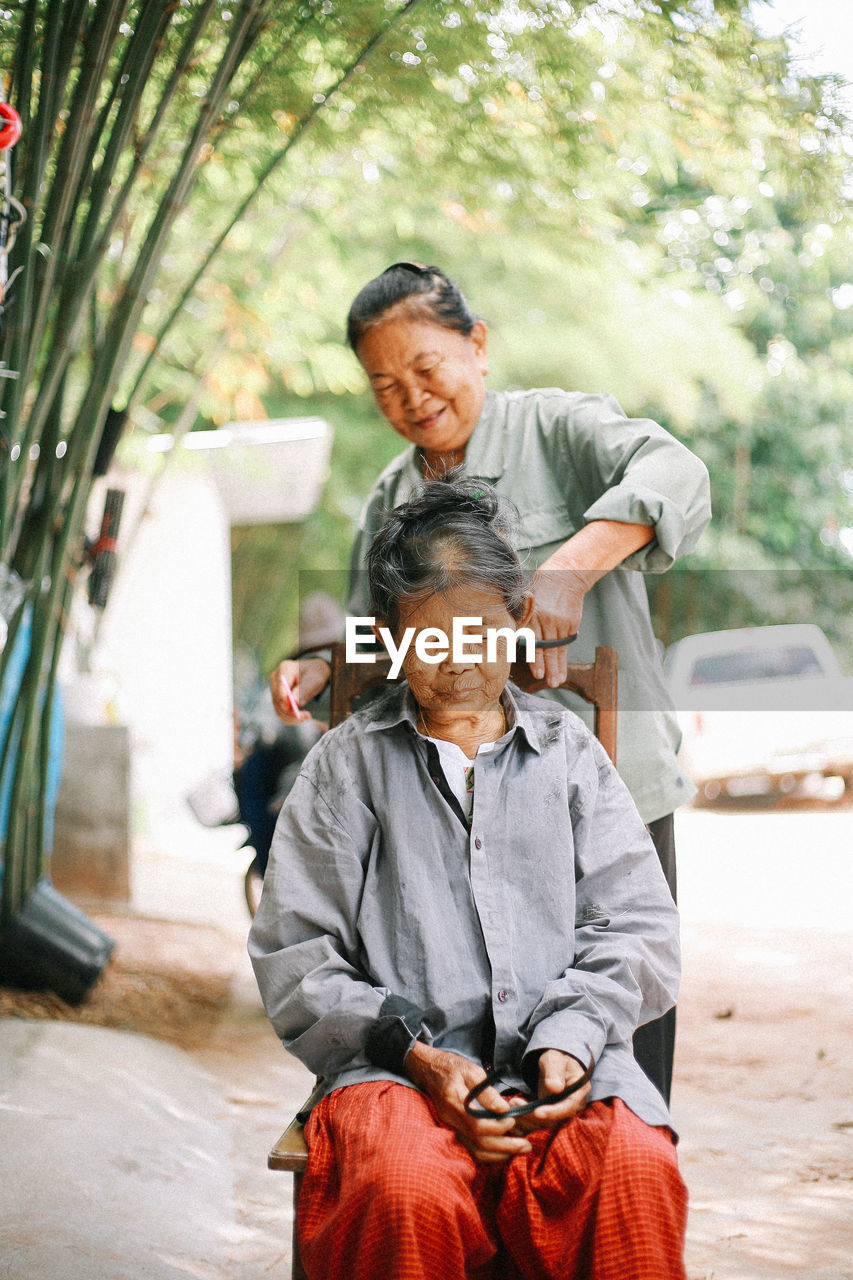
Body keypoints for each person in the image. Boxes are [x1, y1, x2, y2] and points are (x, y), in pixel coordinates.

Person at [271, 262, 711, 1103]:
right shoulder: (391, 496)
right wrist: (326, 665)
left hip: (606, 784)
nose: (411, 398)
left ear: (476, 346)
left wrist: (570, 571)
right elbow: (381, 640)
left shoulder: (557, 429)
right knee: (460, 1018)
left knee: (618, 1040)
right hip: (456, 808)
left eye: (426, 368)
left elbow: (677, 473)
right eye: (383, 385)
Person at [250, 476, 688, 1280]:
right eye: (427, 641)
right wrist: (419, 1059)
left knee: (631, 1172)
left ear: (518, 621)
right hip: (396, 1074)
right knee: (401, 1189)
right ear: (389, 637)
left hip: (564, 1071)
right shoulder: (345, 768)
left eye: (480, 634)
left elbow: (637, 928)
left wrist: (565, 1040)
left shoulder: (569, 756)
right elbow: (297, 957)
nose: (457, 664)